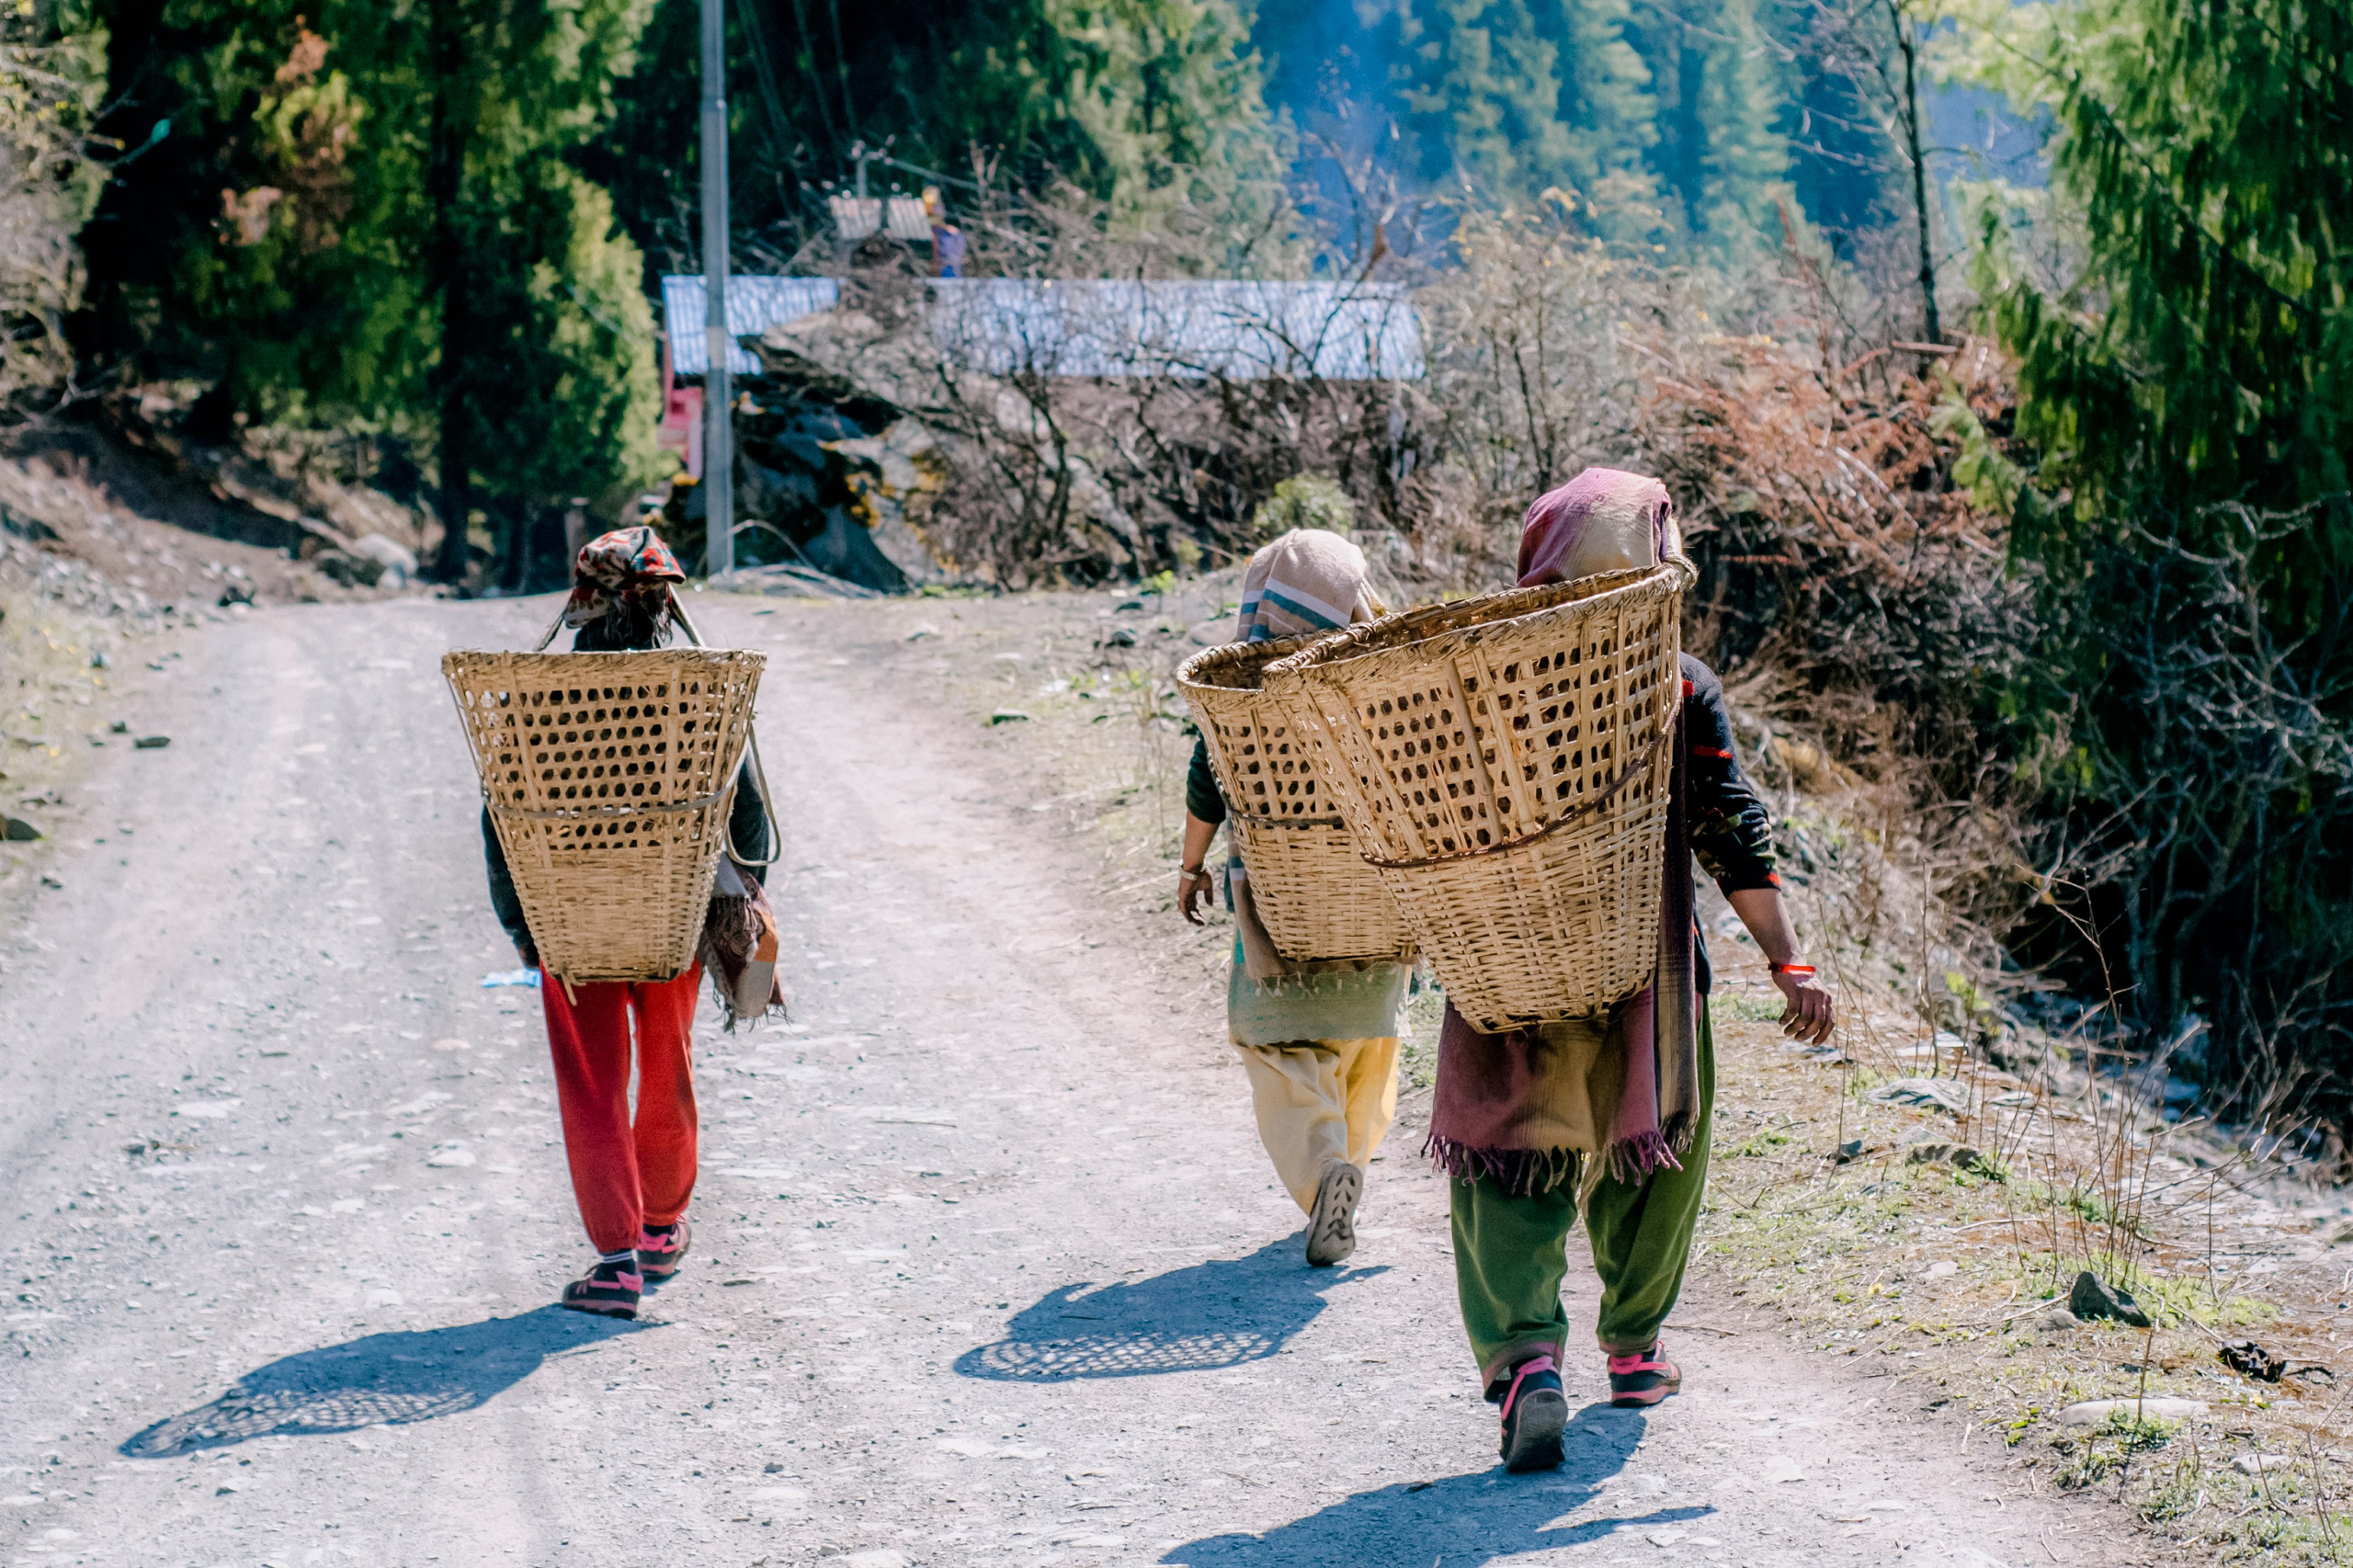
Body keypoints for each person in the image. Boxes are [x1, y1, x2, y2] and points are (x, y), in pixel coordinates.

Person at [1427, 469, 1836, 1471]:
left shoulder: (1473, 675)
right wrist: (1788, 958)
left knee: (1509, 1160)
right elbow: (1727, 826)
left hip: (1506, 961)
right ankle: (1635, 1347)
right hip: (1643, 972)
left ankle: (1526, 1360)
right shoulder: (1675, 680)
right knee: (1654, 1145)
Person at [481, 527, 776, 1320]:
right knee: (667, 1062)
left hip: (568, 915)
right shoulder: (702, 696)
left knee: (591, 1080)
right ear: (666, 604)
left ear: (581, 604)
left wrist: (522, 924)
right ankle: (659, 1227)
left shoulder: (537, 700)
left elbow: (501, 818)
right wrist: (740, 903)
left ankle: (614, 1262)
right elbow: (749, 825)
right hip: (671, 913)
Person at [1177, 528, 1409, 1267]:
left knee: (1279, 1048)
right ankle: (1352, 1162)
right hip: (1374, 906)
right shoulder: (1385, 684)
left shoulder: (1237, 699)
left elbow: (1204, 783)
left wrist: (1190, 867)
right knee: (1365, 1047)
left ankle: (1322, 1174)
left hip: (1280, 911)